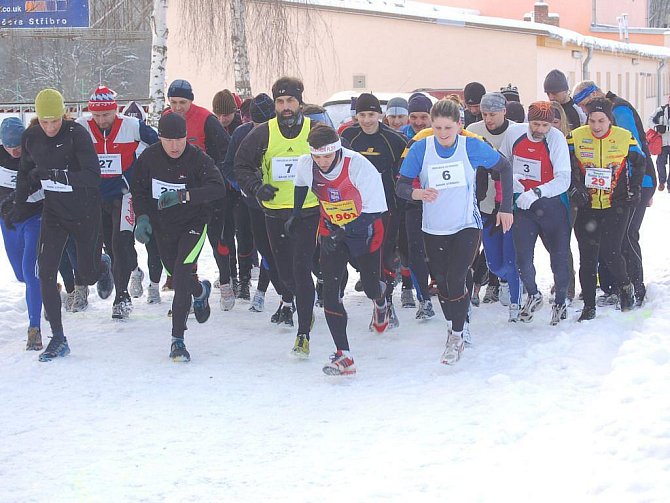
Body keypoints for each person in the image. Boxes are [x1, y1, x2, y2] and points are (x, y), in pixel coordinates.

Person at [396, 99, 513, 365]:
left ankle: (457, 335)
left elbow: (504, 167)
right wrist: (417, 192)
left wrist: (506, 208)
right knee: (444, 283)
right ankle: (455, 324)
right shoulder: (421, 148)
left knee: (457, 276)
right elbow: (401, 185)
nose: (443, 133)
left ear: (459, 126)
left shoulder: (469, 145)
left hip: (466, 224)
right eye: (437, 127)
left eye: (448, 127)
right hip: (433, 227)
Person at [293, 124, 388, 375]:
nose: (322, 162)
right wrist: (296, 213)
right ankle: (343, 355)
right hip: (331, 231)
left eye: (327, 156)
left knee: (369, 287)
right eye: (317, 156)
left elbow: (375, 210)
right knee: (331, 292)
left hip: (365, 231)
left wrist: (344, 230)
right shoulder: (307, 164)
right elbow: (301, 185)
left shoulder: (358, 166)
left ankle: (381, 299)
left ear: (337, 150)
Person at [235, 76, 320, 357]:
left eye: (290, 101)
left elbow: (338, 160)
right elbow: (240, 165)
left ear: (299, 103)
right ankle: (299, 301)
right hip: (273, 212)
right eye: (280, 101)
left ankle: (303, 332)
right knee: (285, 275)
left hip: (307, 211)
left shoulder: (315, 131)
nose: (286, 106)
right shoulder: (263, 133)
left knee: (301, 268)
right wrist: (257, 188)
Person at [130, 113, 225, 361]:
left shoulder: (197, 158)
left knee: (181, 272)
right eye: (169, 140)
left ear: (186, 137)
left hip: (193, 223)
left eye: (180, 139)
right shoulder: (149, 158)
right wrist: (142, 218)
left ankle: (177, 340)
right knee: (176, 273)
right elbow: (137, 189)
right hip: (163, 227)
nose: (175, 146)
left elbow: (218, 188)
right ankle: (200, 291)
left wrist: (184, 196)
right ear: (160, 137)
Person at [18, 89, 103, 362]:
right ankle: (58, 337)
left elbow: (93, 176)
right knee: (45, 271)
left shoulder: (76, 134)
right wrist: (19, 202)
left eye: (55, 120)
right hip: (54, 212)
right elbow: (25, 175)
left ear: (63, 115)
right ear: (37, 119)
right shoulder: (31, 138)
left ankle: (104, 265)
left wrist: (59, 175)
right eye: (45, 121)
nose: (51, 127)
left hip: (84, 210)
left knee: (88, 275)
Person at [76, 86, 159, 320]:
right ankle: (126, 270)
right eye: (97, 115)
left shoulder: (132, 127)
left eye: (107, 115)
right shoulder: (82, 127)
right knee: (108, 247)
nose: (101, 120)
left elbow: (158, 146)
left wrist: (143, 174)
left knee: (121, 241)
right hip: (94, 195)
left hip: (124, 193)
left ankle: (121, 297)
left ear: (116, 111)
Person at [572, 80, 657, 306]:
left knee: (625, 237)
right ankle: (611, 288)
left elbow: (634, 150)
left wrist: (634, 187)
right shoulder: (595, 120)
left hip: (633, 182)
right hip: (609, 186)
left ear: (596, 94)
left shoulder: (619, 108)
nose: (584, 110)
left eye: (584, 104)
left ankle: (636, 287)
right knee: (607, 241)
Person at [340, 93, 411, 326]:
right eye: (362, 115)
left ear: (380, 115)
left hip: (385, 206)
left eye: (371, 114)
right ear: (356, 116)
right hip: (354, 206)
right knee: (358, 255)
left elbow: (405, 174)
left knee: (382, 255)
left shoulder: (394, 139)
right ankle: (374, 286)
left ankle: (385, 303)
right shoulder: (349, 136)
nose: (367, 120)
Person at [499, 101, 572, 325]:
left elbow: (564, 179)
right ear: (528, 121)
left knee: (559, 257)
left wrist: (538, 192)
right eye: (535, 123)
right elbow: (501, 163)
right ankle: (533, 294)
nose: (540, 129)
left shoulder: (556, 138)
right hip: (523, 205)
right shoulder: (514, 133)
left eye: (545, 125)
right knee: (523, 257)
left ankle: (560, 300)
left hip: (552, 206)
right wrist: (512, 182)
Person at [165, 80, 234, 311]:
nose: (177, 107)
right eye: (173, 102)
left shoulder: (206, 119)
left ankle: (225, 281)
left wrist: (215, 178)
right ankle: (186, 291)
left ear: (191, 101)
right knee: (184, 246)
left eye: (182, 102)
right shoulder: (167, 118)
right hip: (180, 194)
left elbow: (227, 151)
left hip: (208, 192)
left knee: (218, 239)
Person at [220, 93, 292, 315]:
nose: (259, 129)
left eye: (264, 124)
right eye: (255, 124)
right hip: (252, 201)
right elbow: (229, 166)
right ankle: (280, 293)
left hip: (282, 203)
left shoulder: (287, 132)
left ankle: (285, 294)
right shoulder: (242, 133)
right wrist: (244, 185)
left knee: (282, 250)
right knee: (263, 248)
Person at [466, 92, 523, 321]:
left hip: (510, 203)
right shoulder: (475, 131)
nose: (488, 119)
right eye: (485, 114)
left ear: (504, 112)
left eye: (493, 114)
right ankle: (502, 278)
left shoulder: (516, 131)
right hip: (485, 202)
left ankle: (515, 304)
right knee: (494, 262)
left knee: (511, 258)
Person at [0, 117, 44, 350]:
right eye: (9, 147)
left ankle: (34, 328)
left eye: (17, 145)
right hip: (8, 222)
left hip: (34, 218)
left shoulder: (33, 153)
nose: (14, 151)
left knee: (30, 272)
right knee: (20, 275)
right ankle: (47, 285)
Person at [121, 101, 163, 304]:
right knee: (124, 240)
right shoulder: (120, 141)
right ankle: (134, 272)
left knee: (152, 244)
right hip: (125, 196)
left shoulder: (150, 142)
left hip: (147, 199)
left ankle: (154, 285)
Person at [649, 95, 670, 192]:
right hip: (663, 142)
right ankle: (662, 181)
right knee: (660, 162)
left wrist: (666, 129)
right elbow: (650, 120)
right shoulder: (660, 111)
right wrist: (656, 127)